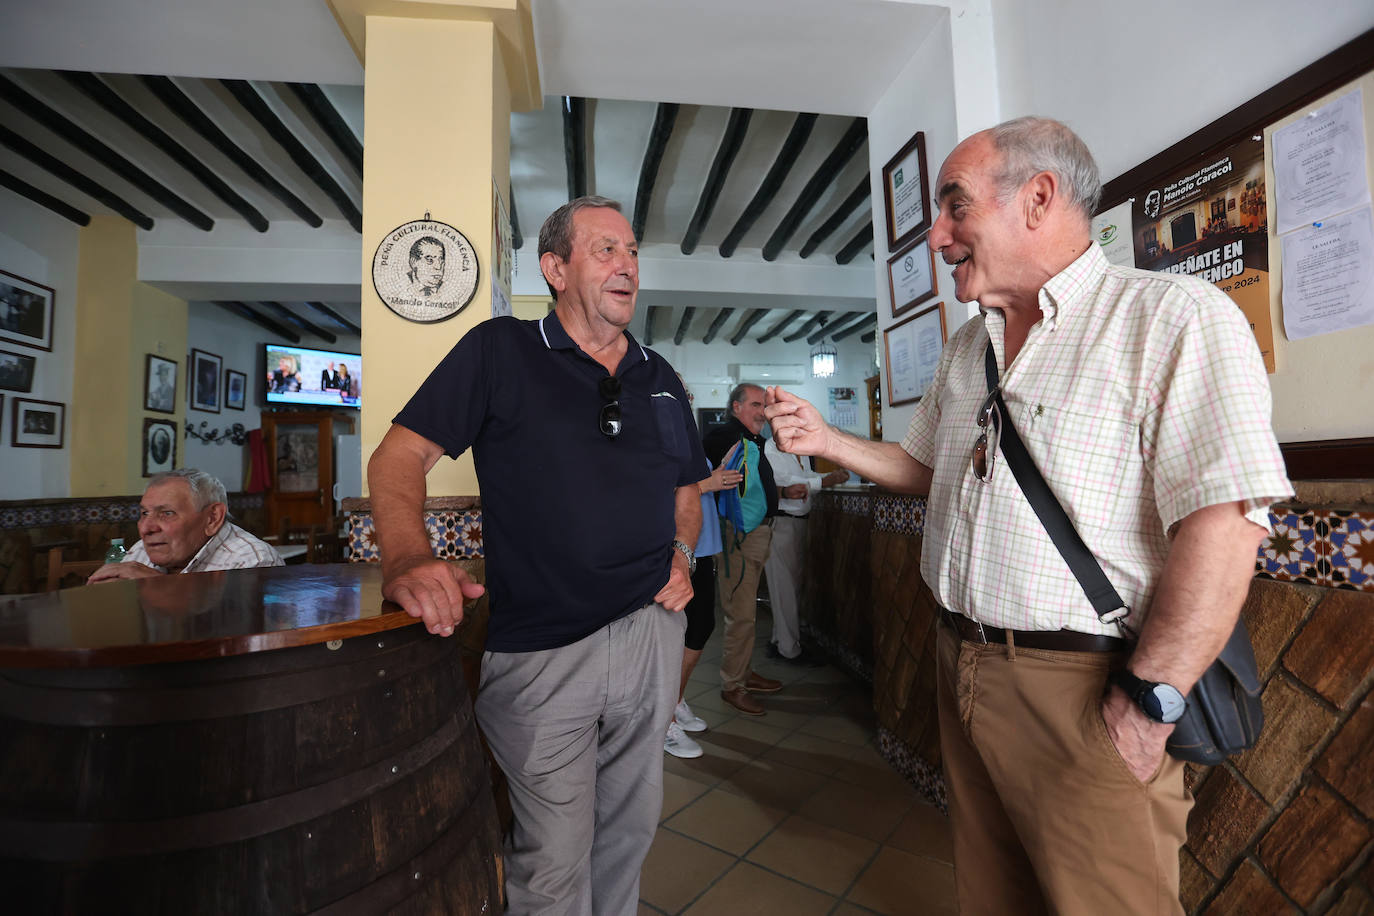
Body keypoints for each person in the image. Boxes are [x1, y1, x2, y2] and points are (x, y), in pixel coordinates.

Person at [765, 117, 1293, 915]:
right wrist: (831, 439)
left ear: (1039, 197)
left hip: (1087, 689)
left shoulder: (1173, 316)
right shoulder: (966, 348)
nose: (937, 236)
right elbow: (927, 469)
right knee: (993, 894)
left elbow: (1225, 525)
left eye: (954, 206)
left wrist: (1148, 704)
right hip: (960, 659)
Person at [367, 196, 704, 915]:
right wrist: (404, 559)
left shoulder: (661, 376)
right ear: (555, 268)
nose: (628, 266)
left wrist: (682, 552)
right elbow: (398, 457)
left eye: (633, 251)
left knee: (630, 832)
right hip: (544, 652)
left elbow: (686, 491)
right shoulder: (500, 350)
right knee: (553, 855)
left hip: (650, 635)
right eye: (606, 250)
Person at [664, 377, 744, 760]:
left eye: (687, 392)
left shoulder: (687, 439)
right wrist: (708, 484)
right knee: (676, 635)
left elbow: (697, 485)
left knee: (700, 627)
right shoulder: (654, 437)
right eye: (678, 390)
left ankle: (674, 702)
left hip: (704, 547)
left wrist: (720, 477)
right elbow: (654, 491)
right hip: (674, 551)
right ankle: (662, 721)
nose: (686, 398)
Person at [702, 383, 784, 716]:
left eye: (764, 405)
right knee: (741, 614)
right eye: (755, 404)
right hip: (739, 535)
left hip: (756, 533)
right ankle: (733, 685)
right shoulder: (724, 436)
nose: (762, 411)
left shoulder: (752, 440)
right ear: (736, 407)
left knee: (746, 609)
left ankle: (744, 672)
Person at [88, 468, 283, 581]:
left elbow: (239, 636)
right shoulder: (140, 550)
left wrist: (159, 587)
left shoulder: (252, 561)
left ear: (212, 518)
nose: (146, 528)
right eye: (144, 513)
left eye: (167, 513)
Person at [762, 437, 849, 664]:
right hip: (782, 523)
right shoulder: (772, 447)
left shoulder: (800, 449)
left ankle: (779, 641)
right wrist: (827, 480)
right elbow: (791, 485)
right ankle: (788, 650)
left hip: (798, 521)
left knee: (792, 587)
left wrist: (829, 479)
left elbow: (807, 479)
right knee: (785, 589)